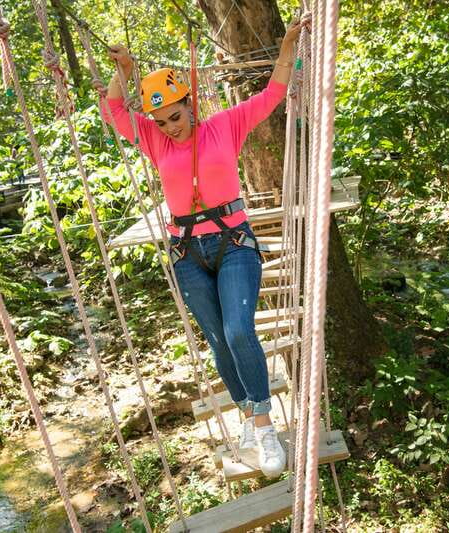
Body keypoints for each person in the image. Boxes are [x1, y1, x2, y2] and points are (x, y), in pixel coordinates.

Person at [102, 15, 310, 479]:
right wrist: (124, 72)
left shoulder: (224, 126)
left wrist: (287, 47)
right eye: (161, 121)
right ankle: (247, 416)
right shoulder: (155, 141)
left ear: (190, 104)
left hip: (234, 243)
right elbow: (114, 111)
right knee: (218, 340)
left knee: (238, 331)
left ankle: (265, 426)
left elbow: (272, 94)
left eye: (175, 117)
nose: (170, 128)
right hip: (186, 253)